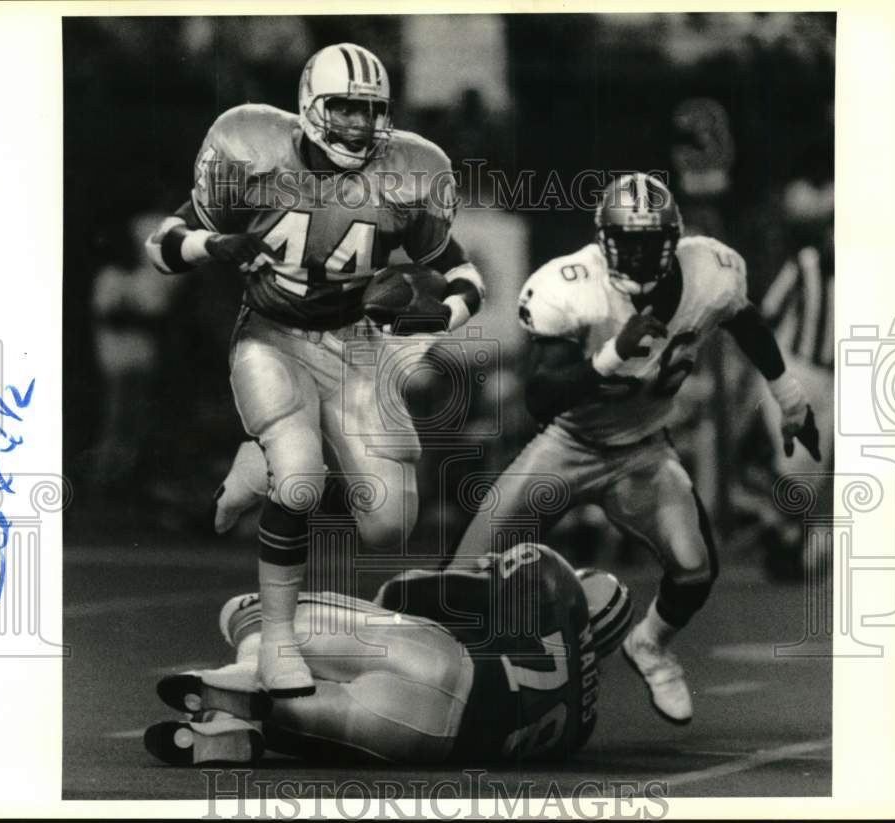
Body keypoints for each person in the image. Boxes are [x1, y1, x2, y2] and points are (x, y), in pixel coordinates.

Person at [145, 43, 485, 697]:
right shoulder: (252, 146)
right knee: (301, 477)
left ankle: (259, 455)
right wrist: (212, 242)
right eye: (345, 108)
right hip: (271, 336)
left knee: (389, 523)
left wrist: (438, 317)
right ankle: (278, 642)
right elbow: (161, 247)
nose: (359, 125)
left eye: (370, 111)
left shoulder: (412, 170)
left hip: (355, 345)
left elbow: (461, 271)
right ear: (309, 107)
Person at [451, 173, 820, 724]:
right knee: (462, 573)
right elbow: (540, 398)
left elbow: (744, 320)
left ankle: (649, 644)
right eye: (629, 242)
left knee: (695, 569)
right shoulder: (574, 286)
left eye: (652, 242)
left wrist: (788, 395)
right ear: (605, 242)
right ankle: (445, 672)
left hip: (643, 451)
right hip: (568, 444)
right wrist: (608, 358)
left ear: (673, 240)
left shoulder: (710, 273)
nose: (641, 255)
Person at [143, 543, 632, 765]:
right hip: (425, 743)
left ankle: (242, 675)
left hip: (442, 665)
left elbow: (406, 593)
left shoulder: (551, 578)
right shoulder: (579, 729)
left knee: (252, 610)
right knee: (295, 717)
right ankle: (232, 727)